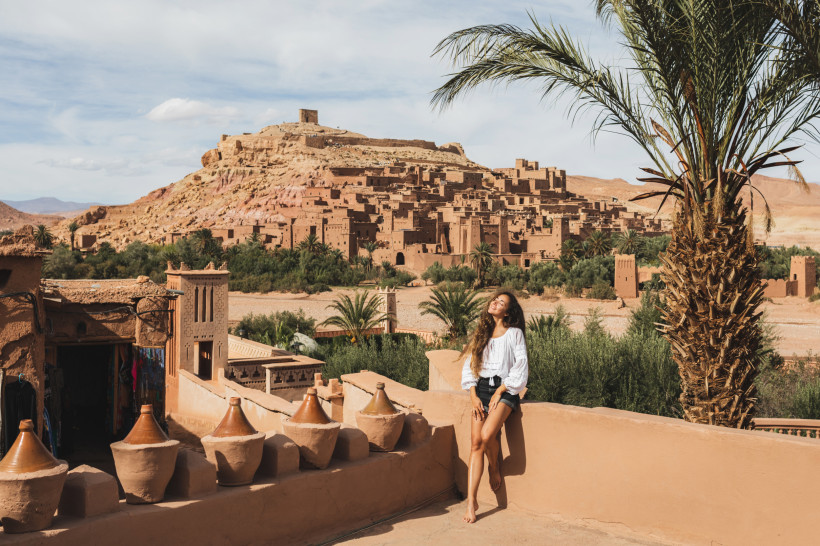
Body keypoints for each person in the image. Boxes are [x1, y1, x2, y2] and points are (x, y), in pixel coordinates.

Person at [460, 290, 528, 523]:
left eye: (501, 302)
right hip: (480, 389)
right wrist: (473, 396)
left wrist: (501, 390)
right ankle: (471, 502)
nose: (495, 302)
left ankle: (494, 467)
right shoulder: (482, 334)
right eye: (494, 300)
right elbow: (469, 366)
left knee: (488, 435)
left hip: (506, 389)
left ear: (507, 311)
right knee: (476, 443)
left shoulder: (514, 334)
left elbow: (521, 366)